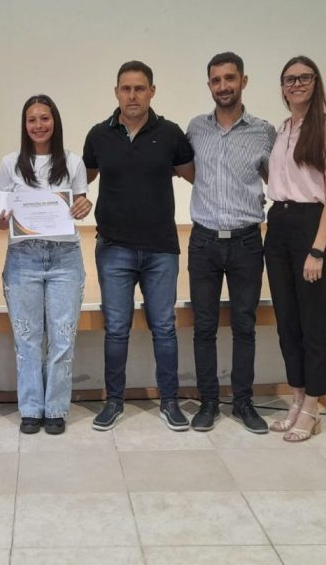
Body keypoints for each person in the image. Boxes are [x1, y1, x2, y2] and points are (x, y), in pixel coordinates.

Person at [83, 60, 194, 431]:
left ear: (152, 92)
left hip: (161, 249)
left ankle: (170, 401)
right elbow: (80, 182)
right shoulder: (98, 136)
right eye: (126, 88)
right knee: (116, 329)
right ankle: (113, 401)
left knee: (164, 328)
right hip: (113, 249)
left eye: (140, 88)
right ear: (116, 92)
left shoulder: (171, 134)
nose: (133, 95)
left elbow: (199, 179)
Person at [186, 52, 277, 434]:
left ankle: (243, 403)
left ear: (243, 81)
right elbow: (187, 171)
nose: (223, 86)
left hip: (246, 242)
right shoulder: (195, 129)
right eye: (216, 80)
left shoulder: (264, 132)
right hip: (204, 241)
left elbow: (279, 180)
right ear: (209, 85)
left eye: (230, 78)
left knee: (244, 325)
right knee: (204, 326)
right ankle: (208, 402)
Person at [0, 95, 93, 435]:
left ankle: (55, 408)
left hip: (65, 257)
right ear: (24, 125)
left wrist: (84, 206)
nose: (39, 125)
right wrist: (1, 219)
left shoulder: (73, 161)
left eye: (45, 118)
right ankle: (30, 408)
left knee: (63, 338)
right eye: (32, 119)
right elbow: (1, 218)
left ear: (55, 121)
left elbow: (81, 203)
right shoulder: (9, 163)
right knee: (27, 339)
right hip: (23, 258)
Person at [264, 56, 326, 442]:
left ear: (316, 82)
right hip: (279, 226)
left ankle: (313, 407)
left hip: (311, 228)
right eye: (289, 79)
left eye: (303, 78)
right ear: (282, 87)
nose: (296, 84)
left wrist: (317, 250)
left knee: (313, 323)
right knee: (288, 322)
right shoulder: (283, 129)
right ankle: (297, 399)